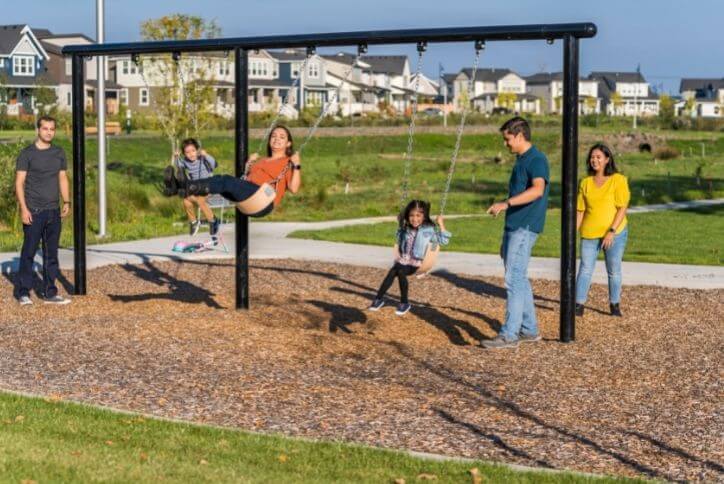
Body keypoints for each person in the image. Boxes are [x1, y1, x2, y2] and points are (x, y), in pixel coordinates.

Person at [483, 117, 549, 349]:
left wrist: (506, 204)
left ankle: (509, 335)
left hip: (525, 226)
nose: (506, 144)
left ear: (520, 136)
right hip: (514, 226)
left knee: (513, 279)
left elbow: (538, 190)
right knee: (519, 278)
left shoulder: (536, 159)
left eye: (507, 139)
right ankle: (529, 330)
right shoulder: (522, 160)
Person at [162, 126, 301, 217]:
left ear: (288, 143)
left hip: (263, 200)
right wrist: (248, 164)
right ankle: (176, 187)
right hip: (248, 199)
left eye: (282, 137)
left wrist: (297, 166)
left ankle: (187, 185)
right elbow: (246, 179)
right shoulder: (262, 160)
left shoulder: (287, 162)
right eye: (273, 136)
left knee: (226, 180)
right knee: (219, 180)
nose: (276, 139)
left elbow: (294, 189)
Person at [15, 116, 71, 305]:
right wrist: (24, 209)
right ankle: (23, 293)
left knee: (51, 255)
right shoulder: (27, 154)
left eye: (52, 129)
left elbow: (62, 178)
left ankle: (49, 292)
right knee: (29, 253)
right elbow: (19, 183)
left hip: (53, 212)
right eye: (45, 128)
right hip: (34, 211)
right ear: (38, 130)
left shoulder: (58, 153)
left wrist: (67, 201)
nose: (49, 132)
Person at [368, 200, 451, 315]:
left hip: (417, 262)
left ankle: (404, 302)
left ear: (424, 216)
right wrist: (400, 223)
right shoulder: (406, 228)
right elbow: (399, 238)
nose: (414, 219)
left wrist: (441, 224)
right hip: (404, 259)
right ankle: (378, 299)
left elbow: (443, 240)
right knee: (393, 271)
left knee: (400, 271)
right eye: (411, 215)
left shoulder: (429, 230)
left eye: (418, 215)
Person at [575, 143, 630, 317]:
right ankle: (578, 305)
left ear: (607, 159)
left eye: (598, 157)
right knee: (585, 268)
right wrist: (572, 234)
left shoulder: (618, 180)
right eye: (592, 157)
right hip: (590, 233)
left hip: (615, 233)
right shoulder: (585, 183)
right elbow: (580, 211)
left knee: (613, 270)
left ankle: (614, 305)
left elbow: (622, 207)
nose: (594, 160)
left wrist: (611, 231)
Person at [175, 138, 220, 237]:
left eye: (193, 151)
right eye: (187, 152)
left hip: (209, 186)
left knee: (200, 200)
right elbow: (179, 166)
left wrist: (206, 155)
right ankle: (193, 222)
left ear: (197, 150)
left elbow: (214, 164)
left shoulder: (202, 158)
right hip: (196, 188)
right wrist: (177, 157)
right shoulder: (186, 161)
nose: (191, 154)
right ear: (184, 154)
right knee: (186, 201)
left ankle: (213, 221)